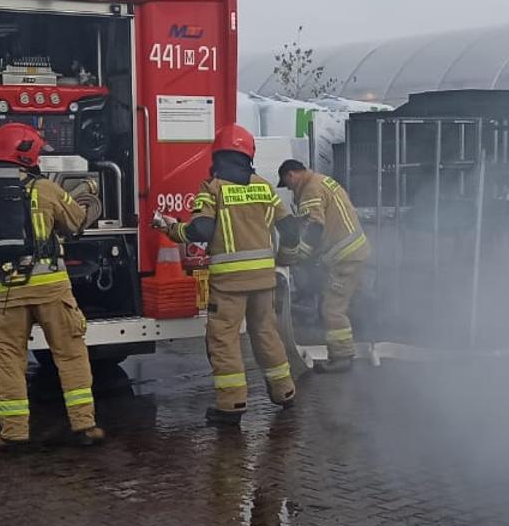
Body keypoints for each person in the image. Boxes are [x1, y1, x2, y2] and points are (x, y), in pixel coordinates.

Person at [0, 122, 105, 449]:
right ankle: (84, 426)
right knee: (70, 354)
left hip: (6, 292)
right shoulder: (44, 189)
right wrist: (88, 201)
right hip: (51, 288)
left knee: (9, 360)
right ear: (27, 153)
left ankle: (14, 433)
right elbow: (74, 221)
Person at [154, 125, 297, 425]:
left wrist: (171, 228)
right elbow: (291, 229)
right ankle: (285, 392)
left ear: (217, 154)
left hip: (230, 283)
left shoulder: (213, 188)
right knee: (266, 333)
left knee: (224, 339)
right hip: (264, 280)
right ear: (249, 153)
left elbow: (200, 230)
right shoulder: (264, 186)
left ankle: (231, 405)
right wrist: (285, 256)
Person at [277, 159, 372, 373]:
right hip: (353, 250)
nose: (290, 188)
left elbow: (315, 226)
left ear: (291, 175)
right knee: (351, 302)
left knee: (332, 308)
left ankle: (342, 357)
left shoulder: (310, 189)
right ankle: (365, 341)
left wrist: (301, 254)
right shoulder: (323, 181)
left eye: (287, 183)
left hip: (345, 256)